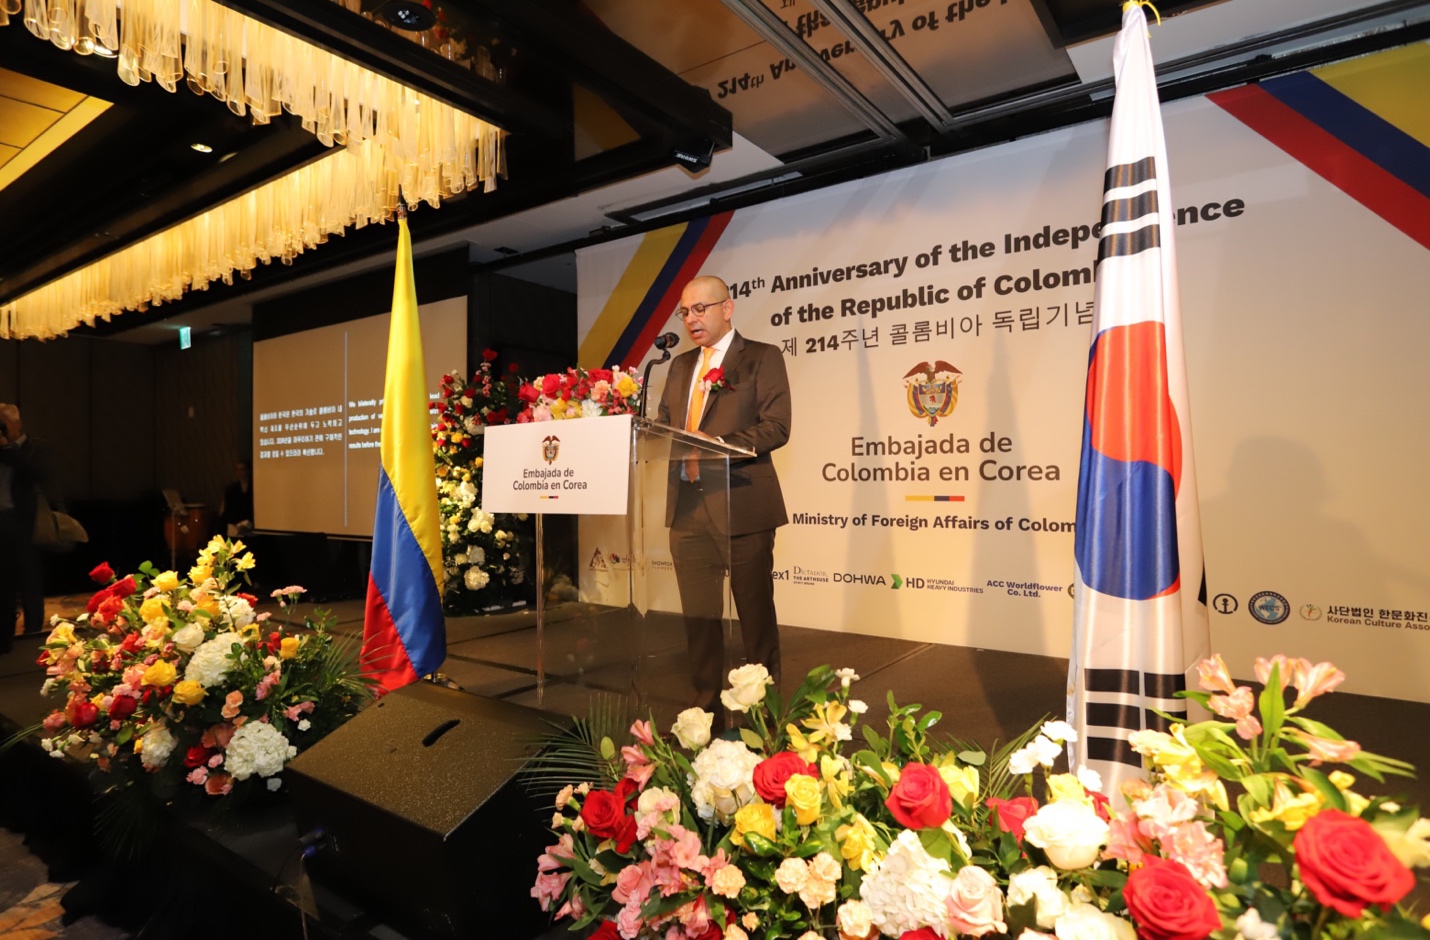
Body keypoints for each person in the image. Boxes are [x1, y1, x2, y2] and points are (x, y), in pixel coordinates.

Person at [656, 275, 792, 718]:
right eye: (685, 311)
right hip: (687, 507)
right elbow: (662, 427)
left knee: (754, 616)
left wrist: (713, 446)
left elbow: (776, 426)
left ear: (727, 308)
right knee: (698, 618)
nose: (692, 319)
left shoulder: (761, 357)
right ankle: (705, 704)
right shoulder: (677, 366)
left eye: (701, 309)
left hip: (742, 504)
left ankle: (764, 708)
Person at [0, 403, 51, 651]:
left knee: (29, 581)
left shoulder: (34, 447)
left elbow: (39, 474)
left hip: (23, 525)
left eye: (3, 422)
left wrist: (9, 447)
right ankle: (5, 638)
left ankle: (33, 638)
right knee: (3, 584)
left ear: (17, 423)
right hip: (0, 522)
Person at [220, 459, 253, 537]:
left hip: (252, 525)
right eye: (237, 470)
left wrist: (248, 524)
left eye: (242, 469)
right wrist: (238, 524)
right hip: (235, 525)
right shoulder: (231, 489)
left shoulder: (255, 488)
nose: (239, 472)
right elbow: (228, 509)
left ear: (248, 471)